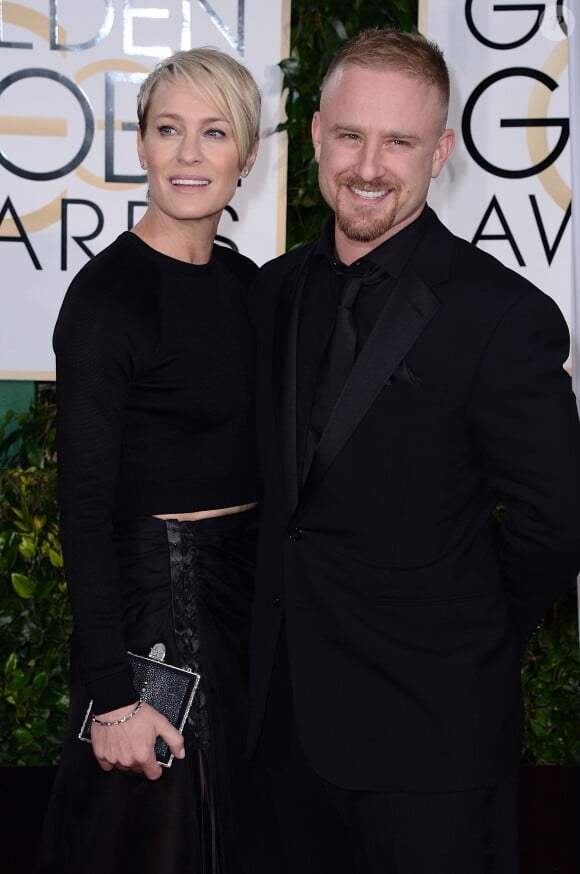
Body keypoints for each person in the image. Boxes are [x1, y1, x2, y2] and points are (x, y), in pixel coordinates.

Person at [247, 27, 580, 874]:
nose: (368, 165)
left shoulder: (503, 317)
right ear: (316, 134)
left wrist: (463, 631)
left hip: (430, 743)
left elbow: (557, 521)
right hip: (278, 740)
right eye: (352, 134)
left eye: (398, 141)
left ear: (439, 154)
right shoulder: (272, 290)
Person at [34, 46, 261, 874]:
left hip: (244, 606)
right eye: (169, 130)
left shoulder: (247, 287)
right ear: (141, 146)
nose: (190, 154)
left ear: (247, 153)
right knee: (152, 837)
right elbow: (83, 510)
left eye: (214, 132)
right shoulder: (105, 300)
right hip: (152, 612)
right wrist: (113, 695)